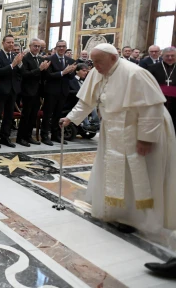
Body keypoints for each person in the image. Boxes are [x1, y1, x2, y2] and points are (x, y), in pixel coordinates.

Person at [60, 44, 175, 274]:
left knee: (139, 177)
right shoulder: (97, 72)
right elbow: (87, 101)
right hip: (113, 133)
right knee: (116, 176)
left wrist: (146, 138)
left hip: (139, 134)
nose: (95, 67)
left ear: (114, 58)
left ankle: (141, 218)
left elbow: (152, 109)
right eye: (93, 62)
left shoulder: (136, 73)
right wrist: (71, 119)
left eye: (99, 62)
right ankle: (121, 214)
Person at [41, 40, 77, 146]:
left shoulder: (70, 60)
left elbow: (71, 77)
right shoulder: (50, 59)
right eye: (59, 46)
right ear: (56, 47)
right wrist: (63, 72)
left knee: (58, 114)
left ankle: (55, 135)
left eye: (63, 46)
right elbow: (48, 76)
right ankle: (44, 136)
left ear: (66, 48)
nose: (61, 48)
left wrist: (71, 71)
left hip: (63, 91)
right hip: (51, 91)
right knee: (48, 115)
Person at [0, 35, 23, 148]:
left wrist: (19, 64)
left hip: (13, 89)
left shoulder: (15, 55)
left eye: (12, 43)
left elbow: (19, 73)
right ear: (3, 43)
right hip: (1, 89)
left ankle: (5, 137)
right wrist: (13, 64)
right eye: (9, 42)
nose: (11, 45)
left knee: (9, 115)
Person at [16, 38, 50, 146]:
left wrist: (45, 70)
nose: (37, 48)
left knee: (33, 116)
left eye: (39, 46)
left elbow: (42, 76)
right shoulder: (25, 58)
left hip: (38, 91)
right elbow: (25, 74)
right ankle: (21, 138)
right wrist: (39, 70)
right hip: (27, 91)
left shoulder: (40, 59)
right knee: (26, 115)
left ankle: (29, 136)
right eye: (35, 46)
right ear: (30, 46)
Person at [148, 46, 176, 130]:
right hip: (158, 101)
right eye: (167, 56)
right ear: (162, 56)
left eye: (173, 56)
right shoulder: (152, 68)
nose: (170, 58)